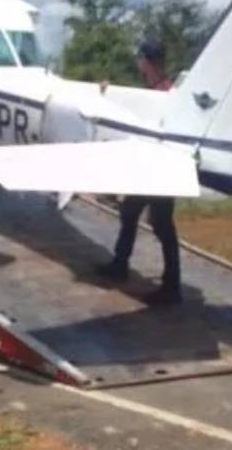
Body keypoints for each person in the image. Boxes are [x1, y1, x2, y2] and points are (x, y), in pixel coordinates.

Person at [95, 39, 183, 305]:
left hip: (160, 170)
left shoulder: (165, 93)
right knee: (131, 212)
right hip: (151, 168)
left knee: (161, 225)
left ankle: (171, 286)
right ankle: (121, 265)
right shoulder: (161, 89)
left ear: (146, 61)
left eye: (140, 58)